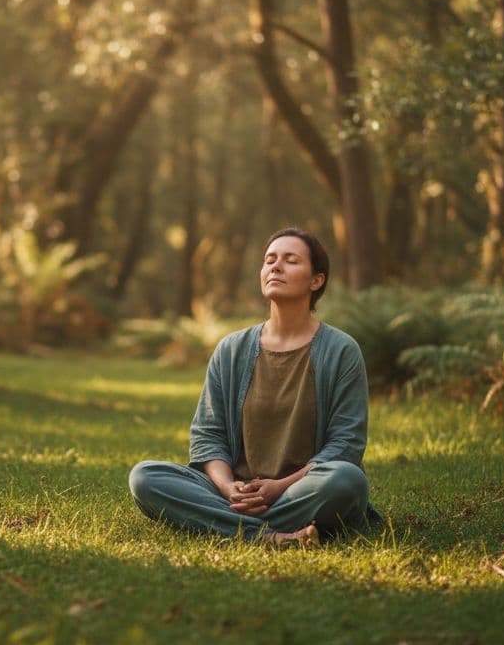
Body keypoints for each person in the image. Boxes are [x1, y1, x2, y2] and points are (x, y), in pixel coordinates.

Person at [129, 228, 379, 545]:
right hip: (236, 491)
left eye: (290, 260)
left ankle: (225, 524)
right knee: (145, 477)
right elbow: (209, 436)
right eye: (269, 260)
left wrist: (279, 488)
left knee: (347, 481)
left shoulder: (341, 350)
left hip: (302, 489)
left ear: (316, 280)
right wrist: (227, 487)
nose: (275, 267)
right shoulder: (231, 349)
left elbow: (345, 446)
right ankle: (268, 536)